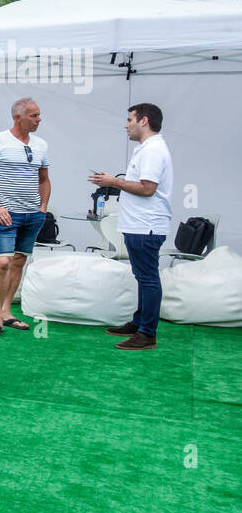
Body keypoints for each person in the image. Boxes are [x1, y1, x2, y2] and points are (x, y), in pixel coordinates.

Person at [88, 103, 174, 350]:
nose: (126, 125)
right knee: (143, 277)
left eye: (129, 119)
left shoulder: (153, 151)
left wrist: (114, 181)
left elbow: (148, 189)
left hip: (146, 226)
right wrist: (114, 181)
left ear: (143, 121)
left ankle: (147, 334)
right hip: (140, 225)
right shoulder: (147, 149)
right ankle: (139, 324)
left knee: (147, 279)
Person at [0, 97, 50, 337]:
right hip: (5, 214)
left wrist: (43, 208)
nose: (39, 119)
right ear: (18, 117)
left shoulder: (41, 145)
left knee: (19, 261)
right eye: (34, 115)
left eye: (39, 115)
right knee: (3, 262)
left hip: (32, 214)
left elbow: (44, 179)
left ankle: (6, 312)